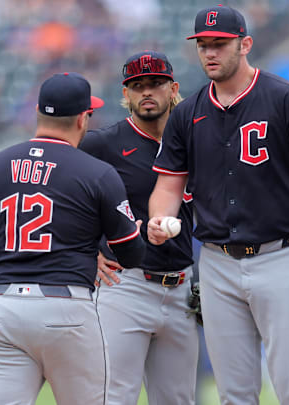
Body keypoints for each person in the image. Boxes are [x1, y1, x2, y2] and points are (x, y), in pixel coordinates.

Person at [147, 5, 289, 404]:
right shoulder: (187, 113)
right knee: (235, 392)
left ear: (245, 44)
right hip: (216, 262)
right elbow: (168, 186)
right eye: (203, 45)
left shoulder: (287, 99)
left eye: (220, 44)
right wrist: (160, 217)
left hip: (283, 256)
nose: (210, 52)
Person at [0, 72, 146, 404]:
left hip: (3, 306)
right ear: (84, 118)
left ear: (39, 113)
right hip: (66, 308)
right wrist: (133, 236)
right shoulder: (97, 172)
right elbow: (131, 256)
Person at [78, 51, 198, 405]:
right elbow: (60, 195)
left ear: (173, 88)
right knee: (114, 397)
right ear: (125, 94)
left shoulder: (194, 141)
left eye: (156, 84)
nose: (147, 91)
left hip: (181, 287)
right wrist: (85, 252)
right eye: (137, 85)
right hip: (125, 285)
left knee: (178, 399)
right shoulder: (102, 144)